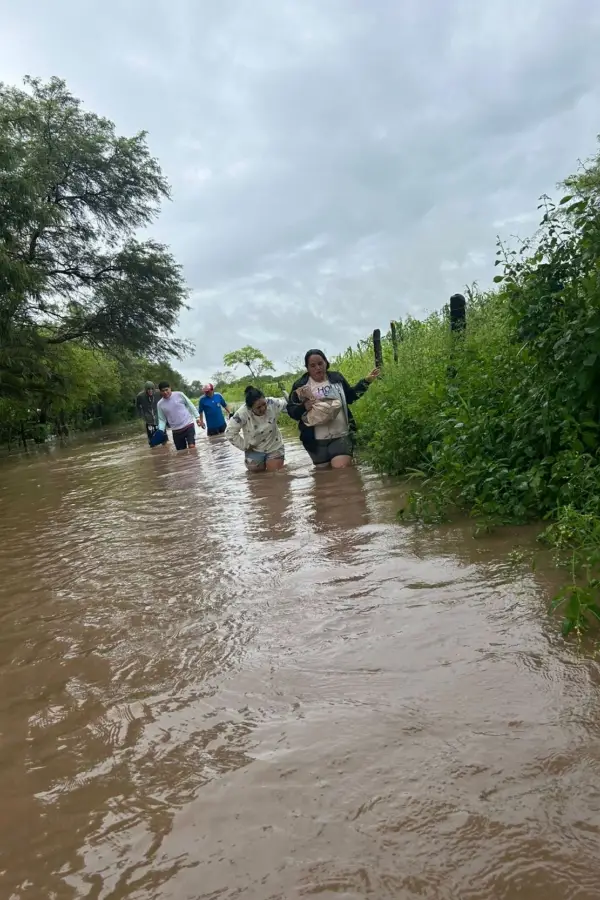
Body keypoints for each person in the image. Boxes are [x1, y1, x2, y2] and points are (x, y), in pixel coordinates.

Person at [287, 349, 379, 468]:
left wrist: (366, 382)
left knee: (342, 470)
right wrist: (303, 407)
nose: (318, 368)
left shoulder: (337, 378)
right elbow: (291, 410)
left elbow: (350, 396)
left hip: (341, 435)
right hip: (315, 442)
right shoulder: (300, 385)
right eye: (313, 365)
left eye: (320, 363)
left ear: (326, 363)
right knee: (323, 477)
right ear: (307, 368)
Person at [225, 386, 288, 471]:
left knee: (275, 474)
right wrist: (245, 446)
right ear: (250, 408)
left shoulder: (272, 403)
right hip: (254, 449)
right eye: (258, 407)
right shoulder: (242, 413)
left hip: (274, 446)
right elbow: (229, 433)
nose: (263, 408)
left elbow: (288, 406)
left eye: (264, 404)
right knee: (256, 477)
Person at [156, 381, 203, 451]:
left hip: (188, 425)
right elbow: (162, 419)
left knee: (192, 447)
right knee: (181, 453)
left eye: (166, 390)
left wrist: (197, 417)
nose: (165, 392)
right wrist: (161, 430)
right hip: (176, 431)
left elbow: (190, 405)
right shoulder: (160, 404)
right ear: (160, 392)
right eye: (163, 391)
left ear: (170, 388)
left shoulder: (179, 395)